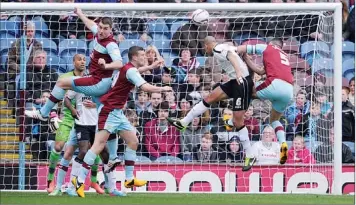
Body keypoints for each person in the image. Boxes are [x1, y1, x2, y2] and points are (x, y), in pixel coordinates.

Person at [72, 46, 172, 198]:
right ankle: (79, 181)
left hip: (117, 112)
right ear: (134, 57)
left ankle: (129, 179)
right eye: (142, 55)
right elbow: (144, 86)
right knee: (98, 146)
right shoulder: (131, 71)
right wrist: (163, 89)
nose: (145, 57)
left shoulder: (129, 69)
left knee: (133, 141)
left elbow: (138, 71)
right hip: (109, 111)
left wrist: (151, 66)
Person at [24, 7, 123, 128]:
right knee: (104, 125)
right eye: (100, 27)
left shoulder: (111, 44)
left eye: (105, 29)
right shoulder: (98, 33)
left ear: (111, 30)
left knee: (61, 82)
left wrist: (106, 65)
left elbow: (119, 63)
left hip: (100, 83)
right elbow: (90, 23)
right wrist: (80, 13)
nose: (101, 31)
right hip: (96, 79)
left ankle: (43, 113)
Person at [167, 36, 255, 171]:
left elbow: (232, 56)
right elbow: (239, 53)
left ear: (207, 45)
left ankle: (250, 155)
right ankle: (184, 122)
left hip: (241, 82)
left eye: (204, 47)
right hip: (234, 81)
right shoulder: (226, 46)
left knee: (238, 122)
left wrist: (238, 74)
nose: (204, 49)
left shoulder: (218, 48)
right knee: (209, 98)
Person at [236, 38, 294, 164]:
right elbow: (261, 71)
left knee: (249, 91)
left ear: (271, 44)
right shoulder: (284, 56)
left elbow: (241, 48)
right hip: (289, 90)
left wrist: (233, 52)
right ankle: (283, 144)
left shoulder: (267, 47)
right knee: (274, 120)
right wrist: (246, 59)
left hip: (274, 83)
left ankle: (235, 117)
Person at [46, 54, 86, 193]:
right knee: (58, 147)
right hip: (67, 117)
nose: (82, 62)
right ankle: (50, 180)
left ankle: (94, 182)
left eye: (84, 60)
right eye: (79, 59)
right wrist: (53, 114)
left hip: (84, 118)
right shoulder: (64, 78)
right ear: (73, 62)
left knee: (92, 149)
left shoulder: (89, 78)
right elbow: (55, 96)